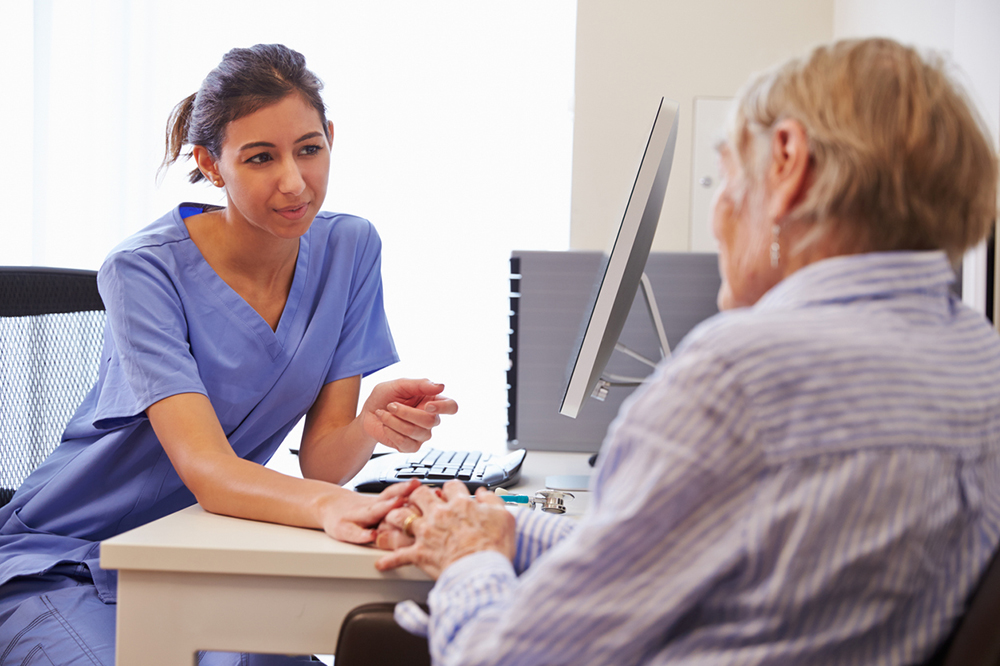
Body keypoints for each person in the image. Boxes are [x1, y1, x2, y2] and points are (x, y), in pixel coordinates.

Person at [375, 37, 1000, 665]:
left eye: (727, 174)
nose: (718, 214)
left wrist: (469, 561)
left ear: (788, 162)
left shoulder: (740, 379)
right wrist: (504, 530)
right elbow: (666, 555)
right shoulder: (979, 361)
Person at [0, 44, 453, 665]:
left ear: (330, 140)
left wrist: (368, 425)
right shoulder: (142, 271)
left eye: (309, 149)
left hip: (205, 554)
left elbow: (323, 465)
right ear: (212, 165)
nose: (294, 182)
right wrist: (345, 509)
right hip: (69, 556)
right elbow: (209, 470)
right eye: (260, 158)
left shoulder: (350, 247)